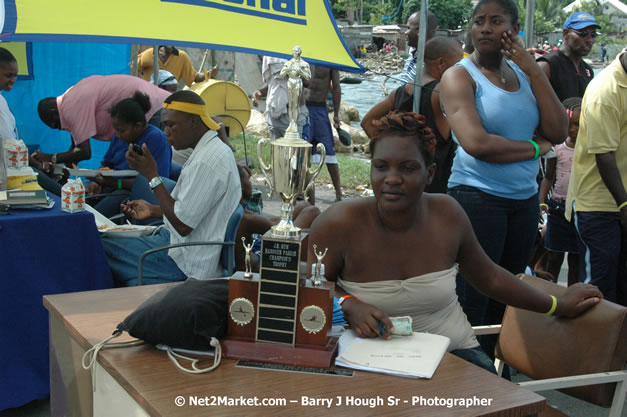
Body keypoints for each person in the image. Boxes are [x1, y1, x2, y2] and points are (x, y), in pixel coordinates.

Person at [307, 111, 602, 371]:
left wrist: (556, 304)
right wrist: (346, 304)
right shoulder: (340, 223)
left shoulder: (446, 214)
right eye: (381, 166)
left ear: (429, 173)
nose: (392, 178)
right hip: (365, 358)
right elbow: (302, 283)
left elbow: (490, 278)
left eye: (408, 168)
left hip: (455, 353)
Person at [440, 0, 567, 364]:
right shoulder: (459, 76)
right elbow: (477, 143)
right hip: (477, 198)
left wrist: (532, 67)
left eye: (497, 22)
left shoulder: (524, 73)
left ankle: (493, 373)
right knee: (472, 298)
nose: (485, 28)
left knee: (508, 293)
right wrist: (533, 147)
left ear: (514, 30)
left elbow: (558, 129)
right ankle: (464, 375)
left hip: (523, 201)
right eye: (478, 21)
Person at [101, 90, 241, 286]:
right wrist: (153, 210)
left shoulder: (207, 161)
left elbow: (183, 226)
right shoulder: (208, 151)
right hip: (178, 245)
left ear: (193, 121)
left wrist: (152, 176)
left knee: (98, 245)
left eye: (171, 125)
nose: (166, 132)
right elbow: (192, 210)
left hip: (184, 260)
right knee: (104, 238)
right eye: (164, 125)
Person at [361, 37, 462, 193]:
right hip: (434, 186)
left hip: (401, 183)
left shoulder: (400, 92)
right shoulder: (440, 93)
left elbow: (367, 122)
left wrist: (386, 152)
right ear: (441, 63)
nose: (461, 71)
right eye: (458, 65)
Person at [566, 50, 627, 306]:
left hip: (621, 204)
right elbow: (604, 155)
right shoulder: (606, 91)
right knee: (599, 294)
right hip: (600, 207)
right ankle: (591, 347)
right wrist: (624, 205)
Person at [36, 74, 170, 167]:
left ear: (54, 113)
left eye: (55, 125)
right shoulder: (70, 98)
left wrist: (52, 158)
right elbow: (76, 145)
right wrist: (67, 163)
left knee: (146, 168)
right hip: (151, 102)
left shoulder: (70, 107)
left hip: (151, 108)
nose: (60, 129)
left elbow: (84, 152)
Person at [85, 92, 172, 218]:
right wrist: (97, 182)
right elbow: (106, 164)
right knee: (78, 205)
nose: (118, 135)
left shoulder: (155, 138)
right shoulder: (119, 138)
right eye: (116, 130)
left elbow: (156, 182)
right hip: (111, 187)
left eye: (121, 130)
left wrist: (114, 183)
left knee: (92, 217)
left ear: (138, 126)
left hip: (133, 194)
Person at [234, 164, 320, 272]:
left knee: (306, 207)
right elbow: (279, 233)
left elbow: (270, 223)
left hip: (256, 247)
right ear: (241, 186)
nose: (251, 184)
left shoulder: (235, 207)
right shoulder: (246, 218)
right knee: (311, 214)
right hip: (257, 263)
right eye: (248, 180)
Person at [538, 97, 582, 286]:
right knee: (553, 256)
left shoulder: (588, 149)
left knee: (576, 259)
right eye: (568, 124)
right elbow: (549, 177)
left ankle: (574, 298)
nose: (573, 129)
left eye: (578, 124)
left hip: (580, 209)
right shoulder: (557, 149)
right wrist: (541, 202)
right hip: (557, 208)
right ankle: (550, 296)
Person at [537, 12, 600, 102]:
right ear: (566, 33)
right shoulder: (547, 65)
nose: (589, 40)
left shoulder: (587, 70)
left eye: (593, 35)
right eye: (583, 34)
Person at [305, 64, 343, 202]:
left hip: (320, 108)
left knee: (329, 152)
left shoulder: (329, 61)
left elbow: (336, 87)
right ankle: (306, 195)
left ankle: (339, 193)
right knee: (303, 154)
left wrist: (337, 115)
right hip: (303, 107)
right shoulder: (303, 56)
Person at [252, 55, 309, 140]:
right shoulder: (272, 55)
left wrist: (292, 68)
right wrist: (260, 91)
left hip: (293, 117)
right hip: (274, 114)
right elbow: (276, 80)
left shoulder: (303, 54)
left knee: (293, 152)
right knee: (276, 151)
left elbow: (308, 82)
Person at [399, 11, 438, 85]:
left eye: (408, 28)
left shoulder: (430, 61)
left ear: (420, 30)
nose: (405, 32)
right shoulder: (413, 54)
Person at [138, 46, 206, 87]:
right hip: (150, 98)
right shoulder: (147, 55)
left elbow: (193, 77)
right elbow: (132, 69)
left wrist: (207, 74)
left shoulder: (182, 56)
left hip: (169, 100)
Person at [280, 46, 312, 134]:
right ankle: (291, 123)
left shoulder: (304, 63)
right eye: (294, 51)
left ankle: (295, 124)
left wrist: (300, 71)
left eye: (297, 51)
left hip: (298, 82)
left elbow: (308, 77)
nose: (295, 53)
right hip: (290, 82)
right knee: (290, 105)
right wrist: (287, 69)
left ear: (300, 52)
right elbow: (281, 75)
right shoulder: (289, 62)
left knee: (296, 104)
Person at [0, 48, 18, 141]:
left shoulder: (2, 100)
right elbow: (6, 138)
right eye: (9, 75)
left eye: (15, 75)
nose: (14, 80)